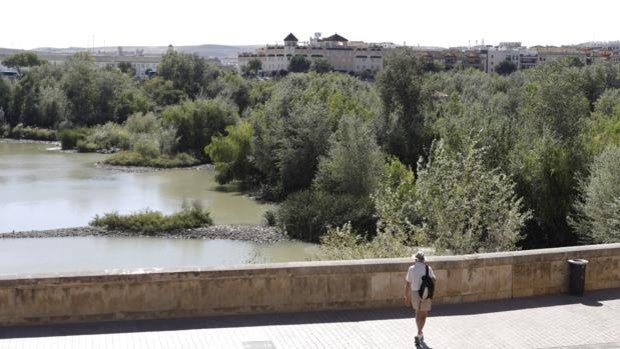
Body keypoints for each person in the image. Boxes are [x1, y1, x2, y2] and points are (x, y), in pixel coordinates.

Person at [404, 250, 436, 345]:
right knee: (424, 314)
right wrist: (432, 293)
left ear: (416, 260)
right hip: (426, 293)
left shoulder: (411, 268)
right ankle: (419, 333)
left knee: (418, 313)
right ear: (423, 260)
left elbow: (407, 284)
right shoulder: (428, 268)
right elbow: (434, 279)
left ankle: (419, 332)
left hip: (415, 293)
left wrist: (406, 296)